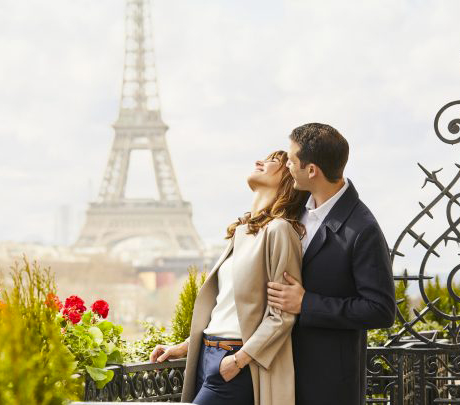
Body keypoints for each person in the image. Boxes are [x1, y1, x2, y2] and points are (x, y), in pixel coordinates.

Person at [150, 150, 308, 405]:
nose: (259, 162)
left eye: (272, 162)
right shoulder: (243, 232)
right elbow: (225, 308)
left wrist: (238, 361)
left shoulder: (280, 231)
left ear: (287, 180)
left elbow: (282, 316)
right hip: (208, 355)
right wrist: (186, 347)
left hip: (236, 358)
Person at [266, 123, 397, 405]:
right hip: (279, 372)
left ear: (311, 170)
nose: (285, 164)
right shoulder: (293, 208)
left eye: (291, 159)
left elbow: (381, 310)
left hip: (327, 385)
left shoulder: (364, 228)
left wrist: (307, 304)